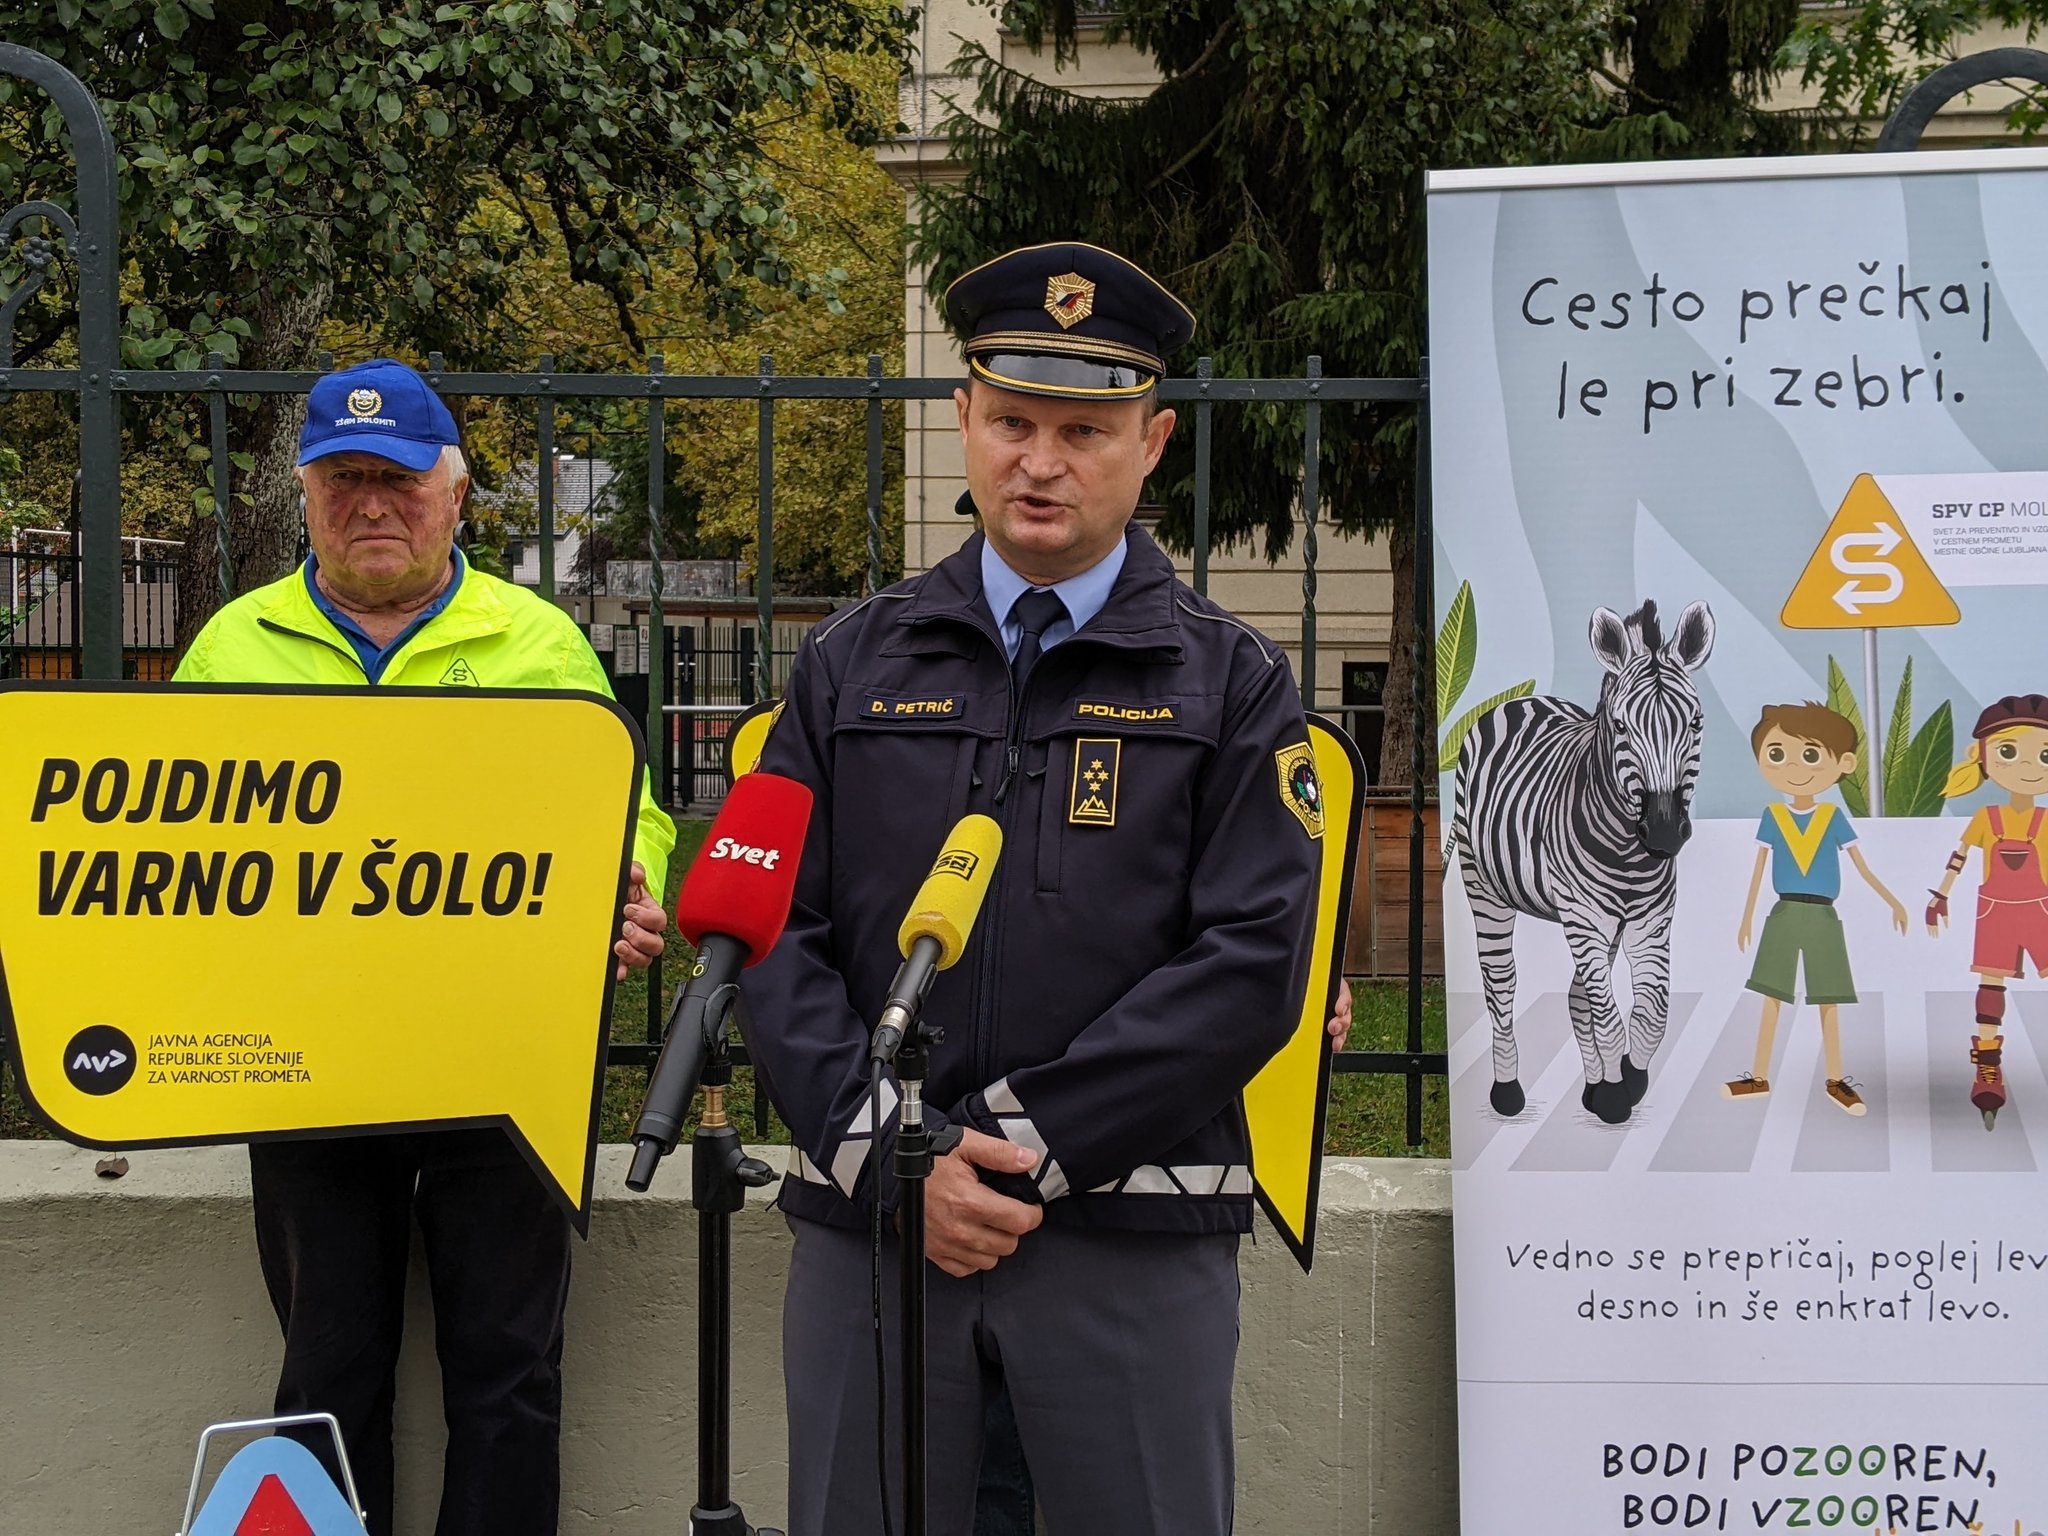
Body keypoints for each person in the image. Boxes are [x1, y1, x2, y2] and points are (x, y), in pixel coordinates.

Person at [743, 242, 1323, 1536]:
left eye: (1084, 429)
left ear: (1155, 440)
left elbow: (1253, 963)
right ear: (963, 420)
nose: (1039, 462)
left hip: (1131, 1240)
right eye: (1010, 422)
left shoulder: (1233, 683)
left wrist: (1014, 1148)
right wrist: (902, 1155)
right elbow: (768, 925)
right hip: (878, 1242)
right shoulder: (846, 661)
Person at [173, 357, 676, 1536]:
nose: (372, 505)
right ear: (302, 496)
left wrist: (634, 886)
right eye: (342, 480)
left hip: (503, 1061)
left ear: (454, 495)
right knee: (324, 1377)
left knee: (508, 1377)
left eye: (399, 480)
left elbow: (626, 803)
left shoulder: (539, 640)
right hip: (303, 1067)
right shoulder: (232, 646)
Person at [1725, 703, 1907, 1115]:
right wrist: (1747, 915)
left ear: (1842, 763)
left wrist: (1891, 899)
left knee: (1830, 998)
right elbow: (1758, 870)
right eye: (1776, 754)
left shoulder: (1832, 816)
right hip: (1783, 913)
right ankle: (1758, 1076)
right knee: (1770, 996)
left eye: (1810, 755)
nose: (1793, 766)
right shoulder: (1773, 816)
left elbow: (1861, 867)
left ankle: (1837, 1080)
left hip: (1824, 915)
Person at [1926, 693, 2048, 1126]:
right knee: (1991, 990)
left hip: (2041, 909)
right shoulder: (1986, 817)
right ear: (1982, 757)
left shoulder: (2045, 821)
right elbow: (1958, 858)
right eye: (2009, 752)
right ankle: (1988, 1068)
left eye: (2044, 754)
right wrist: (1939, 896)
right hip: (1996, 910)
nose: (2029, 767)